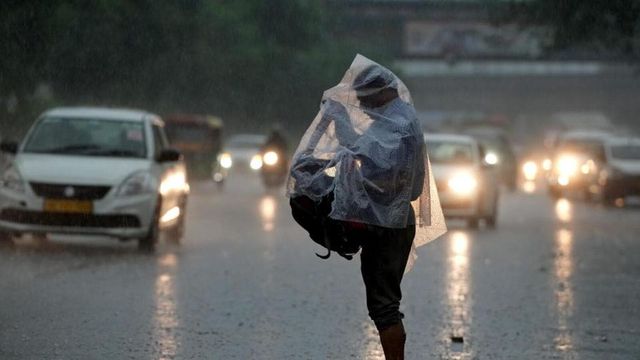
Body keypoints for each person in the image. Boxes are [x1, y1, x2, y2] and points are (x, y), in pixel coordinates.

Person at [288, 55, 446, 359]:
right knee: (384, 304)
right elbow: (367, 155)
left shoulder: (398, 123)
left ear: (382, 92)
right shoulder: (394, 120)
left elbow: (370, 156)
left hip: (389, 224)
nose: (364, 106)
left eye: (365, 99)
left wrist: (341, 120)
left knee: (384, 306)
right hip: (388, 220)